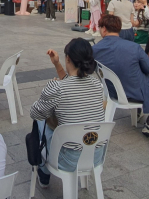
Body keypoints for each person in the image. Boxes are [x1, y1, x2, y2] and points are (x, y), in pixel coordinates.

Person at [31, 38, 106, 188]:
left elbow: (35, 113)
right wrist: (57, 64)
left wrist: (48, 93)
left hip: (67, 160)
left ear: (68, 58)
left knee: (40, 121)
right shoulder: (98, 85)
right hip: (95, 157)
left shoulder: (57, 88)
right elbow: (73, 81)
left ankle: (43, 170)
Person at [93, 15, 149, 140]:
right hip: (135, 91)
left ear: (103, 29)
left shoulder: (95, 49)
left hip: (112, 92)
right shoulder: (133, 47)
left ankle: (142, 115)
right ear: (119, 29)